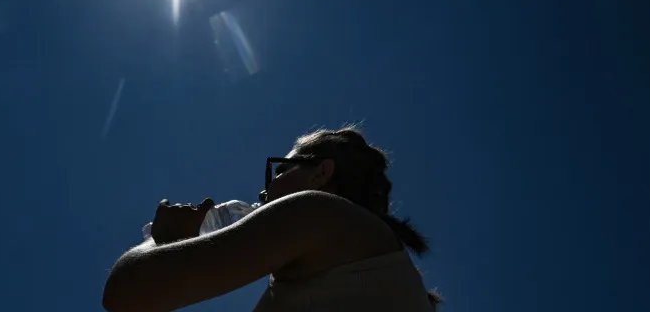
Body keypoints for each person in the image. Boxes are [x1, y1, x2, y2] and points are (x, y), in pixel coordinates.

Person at [103, 126, 442, 311]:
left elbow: (126, 294)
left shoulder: (316, 212)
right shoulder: (368, 264)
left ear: (320, 173)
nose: (264, 192)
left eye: (279, 171)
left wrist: (162, 238)